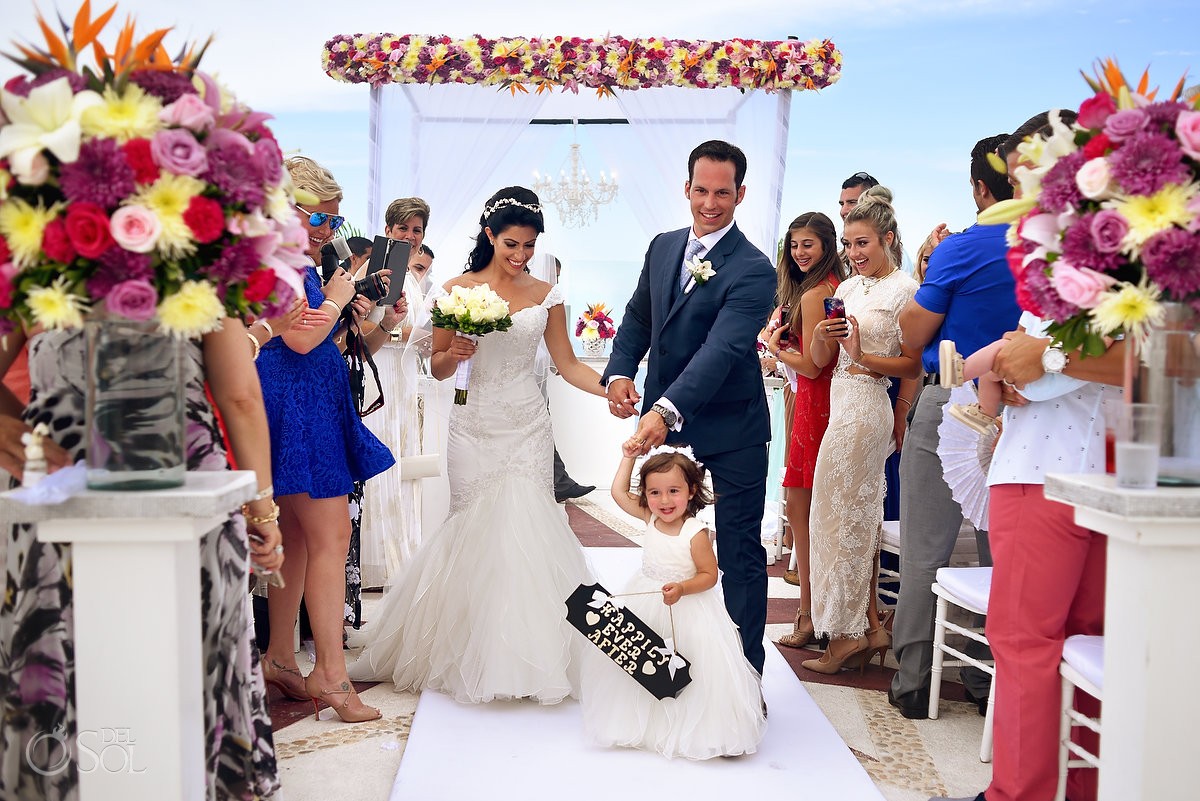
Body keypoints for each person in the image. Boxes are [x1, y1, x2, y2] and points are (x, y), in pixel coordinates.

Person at [0, 314, 285, 796]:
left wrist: (15, 427)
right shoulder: (202, 257)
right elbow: (240, 397)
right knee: (187, 658)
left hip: (57, 481)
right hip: (181, 484)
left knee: (58, 652)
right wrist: (263, 513)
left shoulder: (37, 263)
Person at [349, 186, 606, 704]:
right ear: (489, 236)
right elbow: (439, 366)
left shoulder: (546, 294)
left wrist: (614, 391)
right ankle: (466, 648)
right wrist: (457, 349)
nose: (521, 255)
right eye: (512, 243)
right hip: (473, 426)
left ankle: (534, 654)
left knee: (530, 530)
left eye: (530, 246)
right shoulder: (455, 288)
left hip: (528, 426)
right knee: (473, 528)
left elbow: (569, 363)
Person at [933, 111, 1114, 801]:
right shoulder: (1109, 250)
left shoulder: (1078, 252)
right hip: (1103, 465)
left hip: (1043, 469)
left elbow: (1042, 359)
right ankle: (1086, 786)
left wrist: (1027, 366)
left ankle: (1019, 792)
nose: (1021, 196)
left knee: (1027, 643)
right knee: (1089, 644)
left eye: (1029, 177)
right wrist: (1017, 366)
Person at [605, 140, 777, 674]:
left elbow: (722, 349)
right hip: (666, 427)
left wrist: (665, 410)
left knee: (741, 554)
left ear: (740, 194)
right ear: (686, 189)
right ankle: (671, 667)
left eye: (722, 192)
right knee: (669, 548)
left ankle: (745, 678)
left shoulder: (753, 268)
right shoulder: (662, 247)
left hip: (733, 431)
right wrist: (619, 372)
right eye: (701, 190)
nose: (710, 202)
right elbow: (637, 317)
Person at [255, 156, 397, 723]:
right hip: (297, 405)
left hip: (301, 400)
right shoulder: (272, 262)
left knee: (297, 534)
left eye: (331, 222)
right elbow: (296, 340)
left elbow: (315, 334)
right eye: (318, 219)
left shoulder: (286, 259)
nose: (324, 232)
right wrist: (337, 298)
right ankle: (331, 676)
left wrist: (348, 309)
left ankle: (283, 658)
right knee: (332, 536)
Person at [888, 134, 1017, 719]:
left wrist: (931, 266)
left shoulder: (962, 249)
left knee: (925, 551)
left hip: (953, 402)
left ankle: (914, 680)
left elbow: (914, 338)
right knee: (1004, 552)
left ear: (979, 189)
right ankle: (988, 677)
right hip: (1028, 407)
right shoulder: (1051, 251)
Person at [581, 443, 766, 759]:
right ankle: (646, 725)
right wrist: (628, 457)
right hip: (648, 599)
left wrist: (682, 587)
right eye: (654, 493)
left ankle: (700, 729)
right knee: (644, 663)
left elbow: (709, 575)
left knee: (693, 669)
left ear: (692, 490)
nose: (664, 501)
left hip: (688, 606)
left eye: (673, 491)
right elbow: (617, 493)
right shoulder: (648, 517)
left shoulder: (695, 532)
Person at [803, 190, 921, 674]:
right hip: (839, 401)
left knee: (846, 520)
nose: (853, 254)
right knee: (841, 520)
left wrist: (895, 403)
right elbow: (818, 363)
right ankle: (867, 627)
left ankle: (848, 636)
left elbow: (913, 363)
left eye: (862, 243)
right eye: (849, 244)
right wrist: (818, 337)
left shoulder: (906, 290)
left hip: (869, 406)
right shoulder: (847, 291)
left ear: (888, 239)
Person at [764, 212, 847, 648]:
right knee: (814, 514)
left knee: (803, 512)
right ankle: (817, 613)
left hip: (815, 405)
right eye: (794, 245)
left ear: (827, 246)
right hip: (828, 402)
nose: (799, 252)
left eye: (807, 245)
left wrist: (776, 348)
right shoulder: (833, 286)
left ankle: (808, 615)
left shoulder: (817, 293)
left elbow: (813, 367)